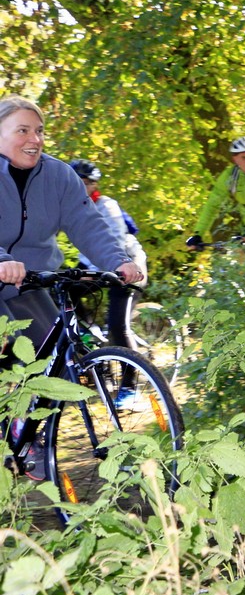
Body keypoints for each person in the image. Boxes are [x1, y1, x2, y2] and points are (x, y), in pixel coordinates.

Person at [0, 95, 145, 478]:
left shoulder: (58, 175)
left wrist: (119, 261)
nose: (35, 139)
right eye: (23, 130)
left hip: (29, 281)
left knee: (53, 357)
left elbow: (88, 224)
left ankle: (27, 434)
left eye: (40, 131)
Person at [69, 159, 148, 354]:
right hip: (96, 267)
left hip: (127, 266)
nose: (83, 187)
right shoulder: (70, 209)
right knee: (65, 290)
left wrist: (90, 272)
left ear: (95, 185)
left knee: (117, 328)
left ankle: (130, 381)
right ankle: (89, 333)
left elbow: (115, 243)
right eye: (78, 182)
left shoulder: (107, 206)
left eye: (88, 183)